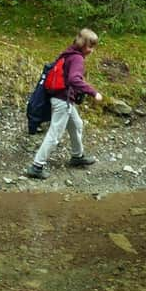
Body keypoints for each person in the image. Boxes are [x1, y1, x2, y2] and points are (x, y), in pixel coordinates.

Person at [26, 28, 103, 180]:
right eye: (90, 46)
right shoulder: (77, 59)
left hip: (60, 97)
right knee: (54, 134)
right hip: (63, 101)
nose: (92, 50)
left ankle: (77, 156)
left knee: (76, 124)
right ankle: (37, 166)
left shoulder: (67, 53)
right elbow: (74, 79)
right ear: (82, 45)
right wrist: (93, 92)